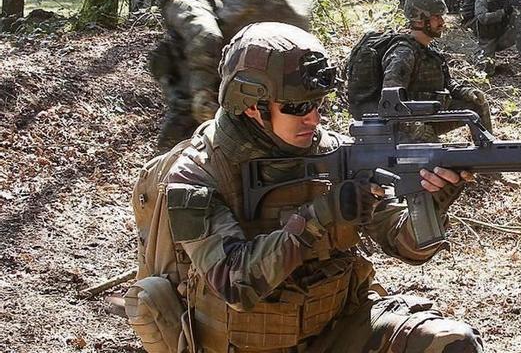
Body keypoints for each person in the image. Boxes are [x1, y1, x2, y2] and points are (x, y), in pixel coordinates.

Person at [126, 22, 483, 352]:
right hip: (252, 344)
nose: (314, 118)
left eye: (317, 104)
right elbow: (236, 283)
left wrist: (432, 202)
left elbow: (407, 247)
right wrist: (320, 215)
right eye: (297, 107)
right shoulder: (197, 174)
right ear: (253, 106)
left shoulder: (335, 153)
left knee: (451, 344)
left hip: (336, 327)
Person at [136, 0, 225, 150]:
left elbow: (206, 35)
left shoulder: (183, 0)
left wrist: (203, 97)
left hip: (198, 112)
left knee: (165, 170)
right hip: (228, 104)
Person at [382, 0, 492, 142]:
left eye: (441, 16)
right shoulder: (403, 54)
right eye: (436, 17)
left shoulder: (429, 50)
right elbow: (391, 103)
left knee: (477, 105)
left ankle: (488, 154)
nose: (442, 22)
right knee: (440, 160)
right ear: (419, 20)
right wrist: (416, 128)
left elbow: (447, 83)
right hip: (405, 127)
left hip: (431, 115)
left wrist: (466, 92)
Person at [472, 0, 521, 76]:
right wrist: (503, 12)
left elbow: (517, 24)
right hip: (487, 41)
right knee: (485, 72)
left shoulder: (506, 3)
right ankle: (478, 54)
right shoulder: (481, 1)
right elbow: (483, 18)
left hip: (502, 37)